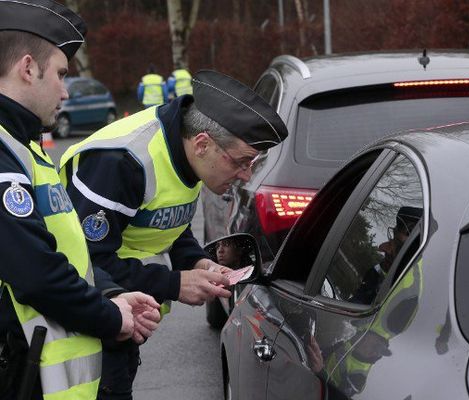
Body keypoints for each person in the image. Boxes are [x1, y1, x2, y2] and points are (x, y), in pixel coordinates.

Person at [59, 69, 289, 399]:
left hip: (123, 320)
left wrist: (196, 262)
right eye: (241, 162)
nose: (246, 175)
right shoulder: (122, 162)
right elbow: (83, 260)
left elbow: (170, 223)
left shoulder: (187, 154)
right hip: (85, 326)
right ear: (203, 144)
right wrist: (174, 284)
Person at [0, 1, 161, 398]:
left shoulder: (24, 147)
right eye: (60, 74)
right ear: (27, 68)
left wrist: (109, 292)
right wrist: (111, 317)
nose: (65, 90)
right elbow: (36, 273)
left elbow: (69, 254)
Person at [351, 206, 422, 305]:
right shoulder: (375, 273)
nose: (383, 248)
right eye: (392, 239)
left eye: (399, 246)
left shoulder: (413, 294)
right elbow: (357, 301)